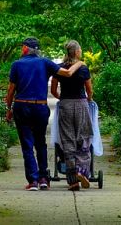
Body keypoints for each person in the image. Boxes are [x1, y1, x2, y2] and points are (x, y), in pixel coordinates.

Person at [5, 37, 85, 191]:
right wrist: (80, 63)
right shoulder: (45, 62)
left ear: (25, 49)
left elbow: (10, 91)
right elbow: (67, 73)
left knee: (27, 145)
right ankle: (43, 179)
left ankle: (33, 181)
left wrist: (8, 109)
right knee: (40, 143)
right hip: (40, 108)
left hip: (22, 106)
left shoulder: (16, 65)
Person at [50, 40, 93, 191]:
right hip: (81, 103)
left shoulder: (60, 69)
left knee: (68, 141)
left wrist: (61, 98)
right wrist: (88, 100)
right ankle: (82, 171)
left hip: (66, 104)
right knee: (84, 137)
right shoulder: (83, 68)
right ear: (76, 52)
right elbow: (89, 90)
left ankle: (73, 181)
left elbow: (54, 89)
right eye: (80, 50)